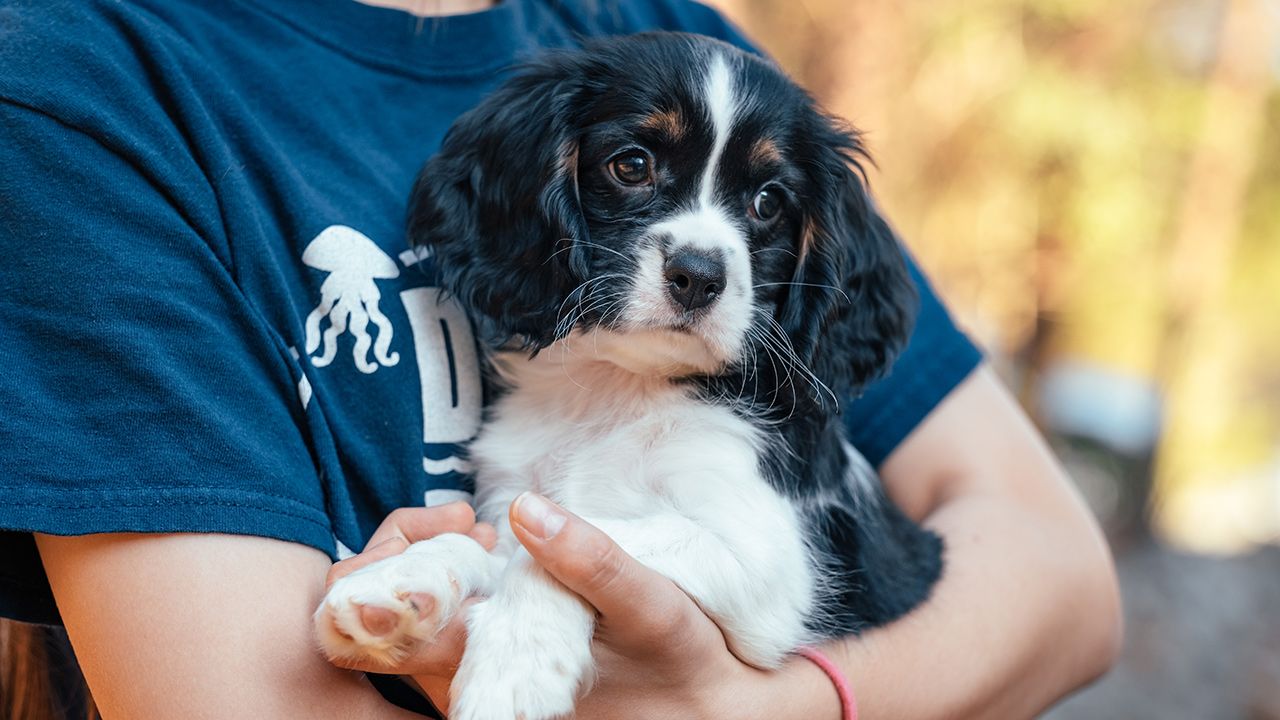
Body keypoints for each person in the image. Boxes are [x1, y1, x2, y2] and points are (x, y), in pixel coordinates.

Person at [0, 0, 1122, 718]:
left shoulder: (647, 18)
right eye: (636, 168)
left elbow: (1057, 584)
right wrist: (470, 578)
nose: (704, 249)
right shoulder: (83, 85)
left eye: (764, 205)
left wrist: (760, 705)